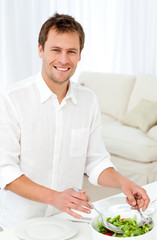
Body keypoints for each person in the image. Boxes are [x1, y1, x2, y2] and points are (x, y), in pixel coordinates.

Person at [0, 13, 149, 229]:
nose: (63, 59)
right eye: (56, 50)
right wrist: (54, 197)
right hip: (22, 223)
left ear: (80, 55)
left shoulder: (88, 100)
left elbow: (96, 161)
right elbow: (5, 169)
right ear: (40, 50)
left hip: (68, 220)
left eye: (71, 51)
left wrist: (124, 183)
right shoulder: (11, 99)